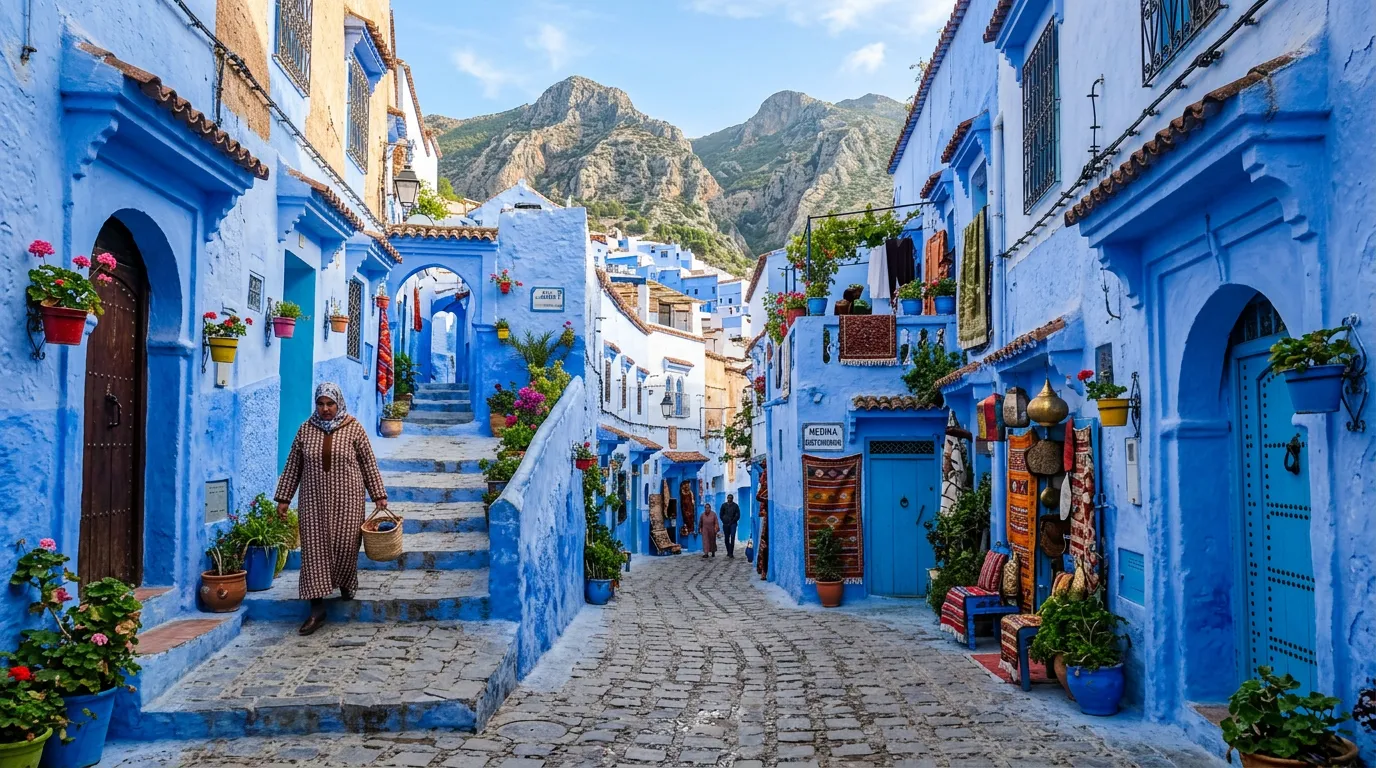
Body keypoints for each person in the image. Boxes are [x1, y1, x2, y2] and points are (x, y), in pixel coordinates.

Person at [275, 382, 389, 636]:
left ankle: (347, 583)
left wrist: (378, 495)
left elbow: (368, 463)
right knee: (314, 550)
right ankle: (316, 609)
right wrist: (284, 498)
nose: (325, 409)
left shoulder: (354, 428)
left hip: (348, 499)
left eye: (330, 404)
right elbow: (294, 465)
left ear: (339, 403)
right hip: (313, 501)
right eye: (321, 404)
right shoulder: (306, 430)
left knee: (346, 545)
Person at [719, 494, 741, 559]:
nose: (729, 499)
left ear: (732, 498)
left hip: (733, 524)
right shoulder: (724, 505)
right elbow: (721, 514)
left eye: (731, 498)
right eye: (728, 498)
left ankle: (731, 552)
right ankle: (728, 551)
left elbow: (738, 515)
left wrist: (733, 520)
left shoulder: (735, 506)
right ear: (727, 498)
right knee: (726, 538)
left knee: (732, 537)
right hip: (726, 524)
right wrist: (724, 520)